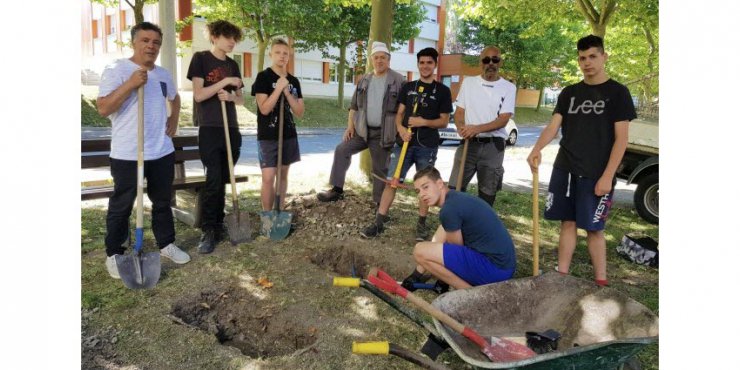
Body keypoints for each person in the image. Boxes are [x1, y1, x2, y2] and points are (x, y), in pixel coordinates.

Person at [526, 35, 636, 287]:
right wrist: (537, 148)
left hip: (597, 172)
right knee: (568, 222)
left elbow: (621, 140)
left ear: (604, 56)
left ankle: (601, 281)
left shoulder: (618, 93)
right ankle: (561, 275)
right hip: (565, 168)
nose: (587, 62)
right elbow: (553, 127)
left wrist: (608, 176)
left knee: (594, 228)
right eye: (582, 58)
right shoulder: (569, 93)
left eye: (592, 56)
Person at [97, 22, 191, 279]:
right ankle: (114, 253)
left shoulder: (163, 74)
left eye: (156, 42)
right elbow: (104, 108)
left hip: (161, 150)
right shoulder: (117, 69)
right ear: (134, 42)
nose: (151, 46)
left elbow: (175, 97)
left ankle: (166, 244)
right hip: (128, 153)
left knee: (162, 201)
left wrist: (173, 119)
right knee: (122, 204)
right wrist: (130, 84)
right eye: (145, 40)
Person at [360, 47, 452, 240]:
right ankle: (379, 221)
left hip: (427, 145)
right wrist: (401, 129)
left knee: (425, 185)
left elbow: (444, 120)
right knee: (392, 181)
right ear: (418, 64)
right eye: (422, 62)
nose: (425, 66)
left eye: (429, 62)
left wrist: (423, 122)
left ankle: (421, 224)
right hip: (403, 144)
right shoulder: (408, 87)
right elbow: (399, 114)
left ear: (435, 65)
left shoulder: (442, 91)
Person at [316, 42, 405, 208]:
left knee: (380, 168)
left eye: (383, 58)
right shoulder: (364, 79)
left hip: (383, 133)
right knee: (342, 149)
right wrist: (350, 126)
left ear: (388, 60)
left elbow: (403, 110)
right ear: (371, 60)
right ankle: (336, 189)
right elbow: (354, 106)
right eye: (376, 57)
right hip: (362, 131)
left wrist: (400, 130)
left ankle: (379, 202)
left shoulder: (398, 80)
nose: (379, 61)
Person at [401, 167, 516, 291]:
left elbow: (456, 250)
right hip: (505, 266)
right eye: (418, 191)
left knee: (420, 251)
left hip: (494, 271)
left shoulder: (449, 210)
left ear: (439, 184)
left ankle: (470, 292)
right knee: (444, 228)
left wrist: (443, 277)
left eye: (426, 187)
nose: (421, 194)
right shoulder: (455, 198)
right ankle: (417, 275)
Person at [186, 20, 245, 254]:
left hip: (231, 128)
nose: (232, 42)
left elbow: (240, 99)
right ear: (214, 36)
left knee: (222, 178)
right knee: (213, 178)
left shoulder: (233, 65)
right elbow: (199, 95)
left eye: (234, 38)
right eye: (227, 37)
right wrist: (224, 82)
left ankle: (219, 223)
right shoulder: (200, 59)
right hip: (210, 127)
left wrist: (231, 97)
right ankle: (209, 229)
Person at [449, 46, 517, 206]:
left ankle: (480, 227)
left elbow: (503, 120)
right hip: (468, 143)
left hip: (493, 147)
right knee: (453, 190)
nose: (490, 63)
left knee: (487, 194)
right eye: (486, 60)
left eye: (495, 59)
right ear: (481, 62)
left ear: (500, 62)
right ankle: (454, 228)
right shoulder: (469, 82)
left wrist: (475, 129)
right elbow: (459, 113)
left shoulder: (509, 87)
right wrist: (462, 129)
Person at [251, 38, 305, 216]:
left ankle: (280, 212)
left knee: (282, 175)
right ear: (270, 55)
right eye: (278, 53)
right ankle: (267, 215)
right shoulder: (263, 77)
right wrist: (278, 88)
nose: (282, 56)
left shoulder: (294, 81)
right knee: (268, 177)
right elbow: (264, 109)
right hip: (267, 135)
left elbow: (299, 111)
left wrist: (287, 92)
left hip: (288, 134)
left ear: (289, 56)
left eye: (285, 53)